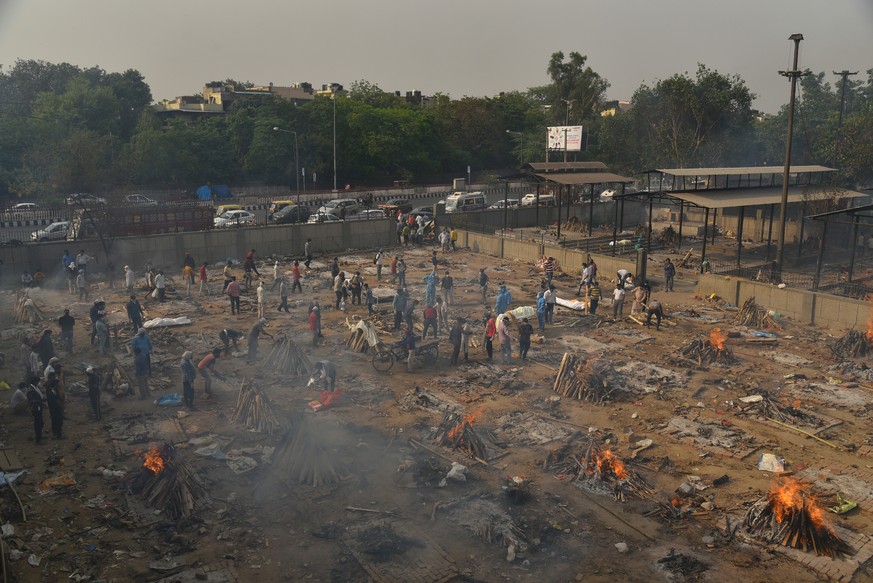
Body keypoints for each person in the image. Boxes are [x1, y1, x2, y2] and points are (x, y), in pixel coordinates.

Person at [45, 372, 63, 439]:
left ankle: (55, 433)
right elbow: (56, 400)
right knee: (58, 420)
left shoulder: (50, 389)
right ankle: (58, 434)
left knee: (54, 420)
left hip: (53, 408)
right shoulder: (52, 392)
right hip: (55, 408)